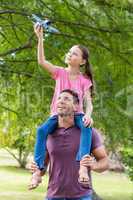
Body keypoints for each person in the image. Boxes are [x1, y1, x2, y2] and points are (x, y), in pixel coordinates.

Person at [29, 23, 94, 189]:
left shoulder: (84, 80)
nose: (70, 54)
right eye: (70, 52)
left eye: (74, 53)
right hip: (56, 116)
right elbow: (41, 61)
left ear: (82, 61)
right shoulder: (59, 72)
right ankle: (38, 171)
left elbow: (88, 102)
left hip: (77, 115)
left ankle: (82, 167)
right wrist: (40, 38)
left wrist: (88, 115)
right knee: (41, 130)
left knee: (87, 128)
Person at [29, 89, 109, 200]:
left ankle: (83, 170)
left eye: (66, 99)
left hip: (81, 196)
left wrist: (93, 165)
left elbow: (105, 162)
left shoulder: (89, 131)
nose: (61, 101)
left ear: (76, 106)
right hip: (53, 196)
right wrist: (37, 169)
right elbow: (44, 168)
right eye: (59, 98)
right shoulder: (48, 133)